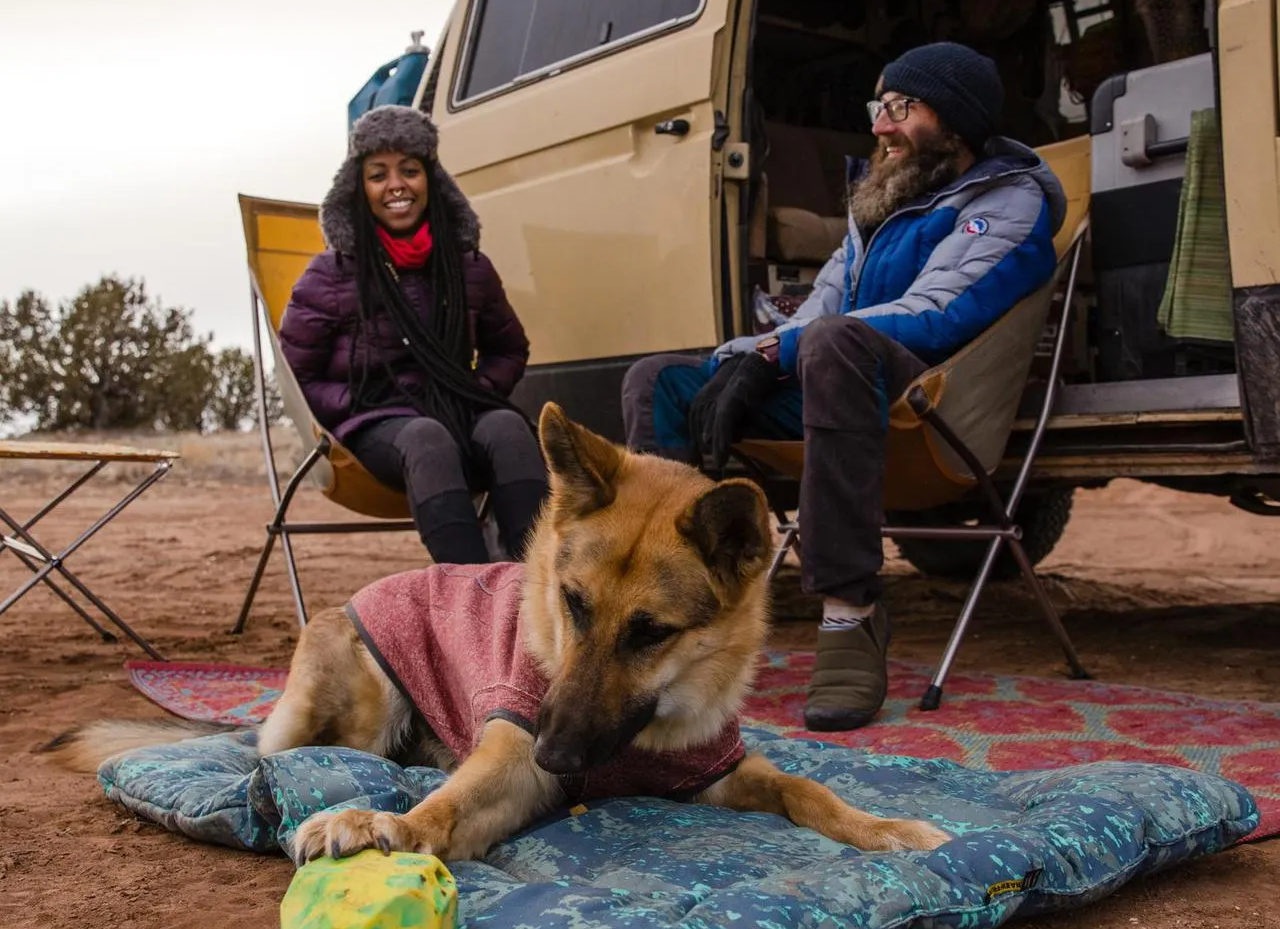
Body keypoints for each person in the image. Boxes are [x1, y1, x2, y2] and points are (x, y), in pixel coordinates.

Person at [622, 41, 1065, 731]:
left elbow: (938, 313)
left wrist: (779, 355)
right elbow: (819, 312)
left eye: (901, 107)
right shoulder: (882, 205)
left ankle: (850, 611)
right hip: (840, 384)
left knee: (830, 345)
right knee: (661, 381)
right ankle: (658, 598)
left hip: (930, 402)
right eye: (879, 106)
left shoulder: (1007, 202)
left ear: (957, 119)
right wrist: (747, 355)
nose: (880, 125)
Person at [279, 105, 547, 564]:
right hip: (377, 429)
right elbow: (295, 375)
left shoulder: (467, 265)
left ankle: (539, 586)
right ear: (359, 189)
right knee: (425, 436)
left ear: (431, 180)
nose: (396, 185)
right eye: (377, 175)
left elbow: (508, 347)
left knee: (507, 426)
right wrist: (357, 404)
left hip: (459, 413)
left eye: (410, 170)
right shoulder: (331, 274)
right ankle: (471, 598)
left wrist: (474, 391)